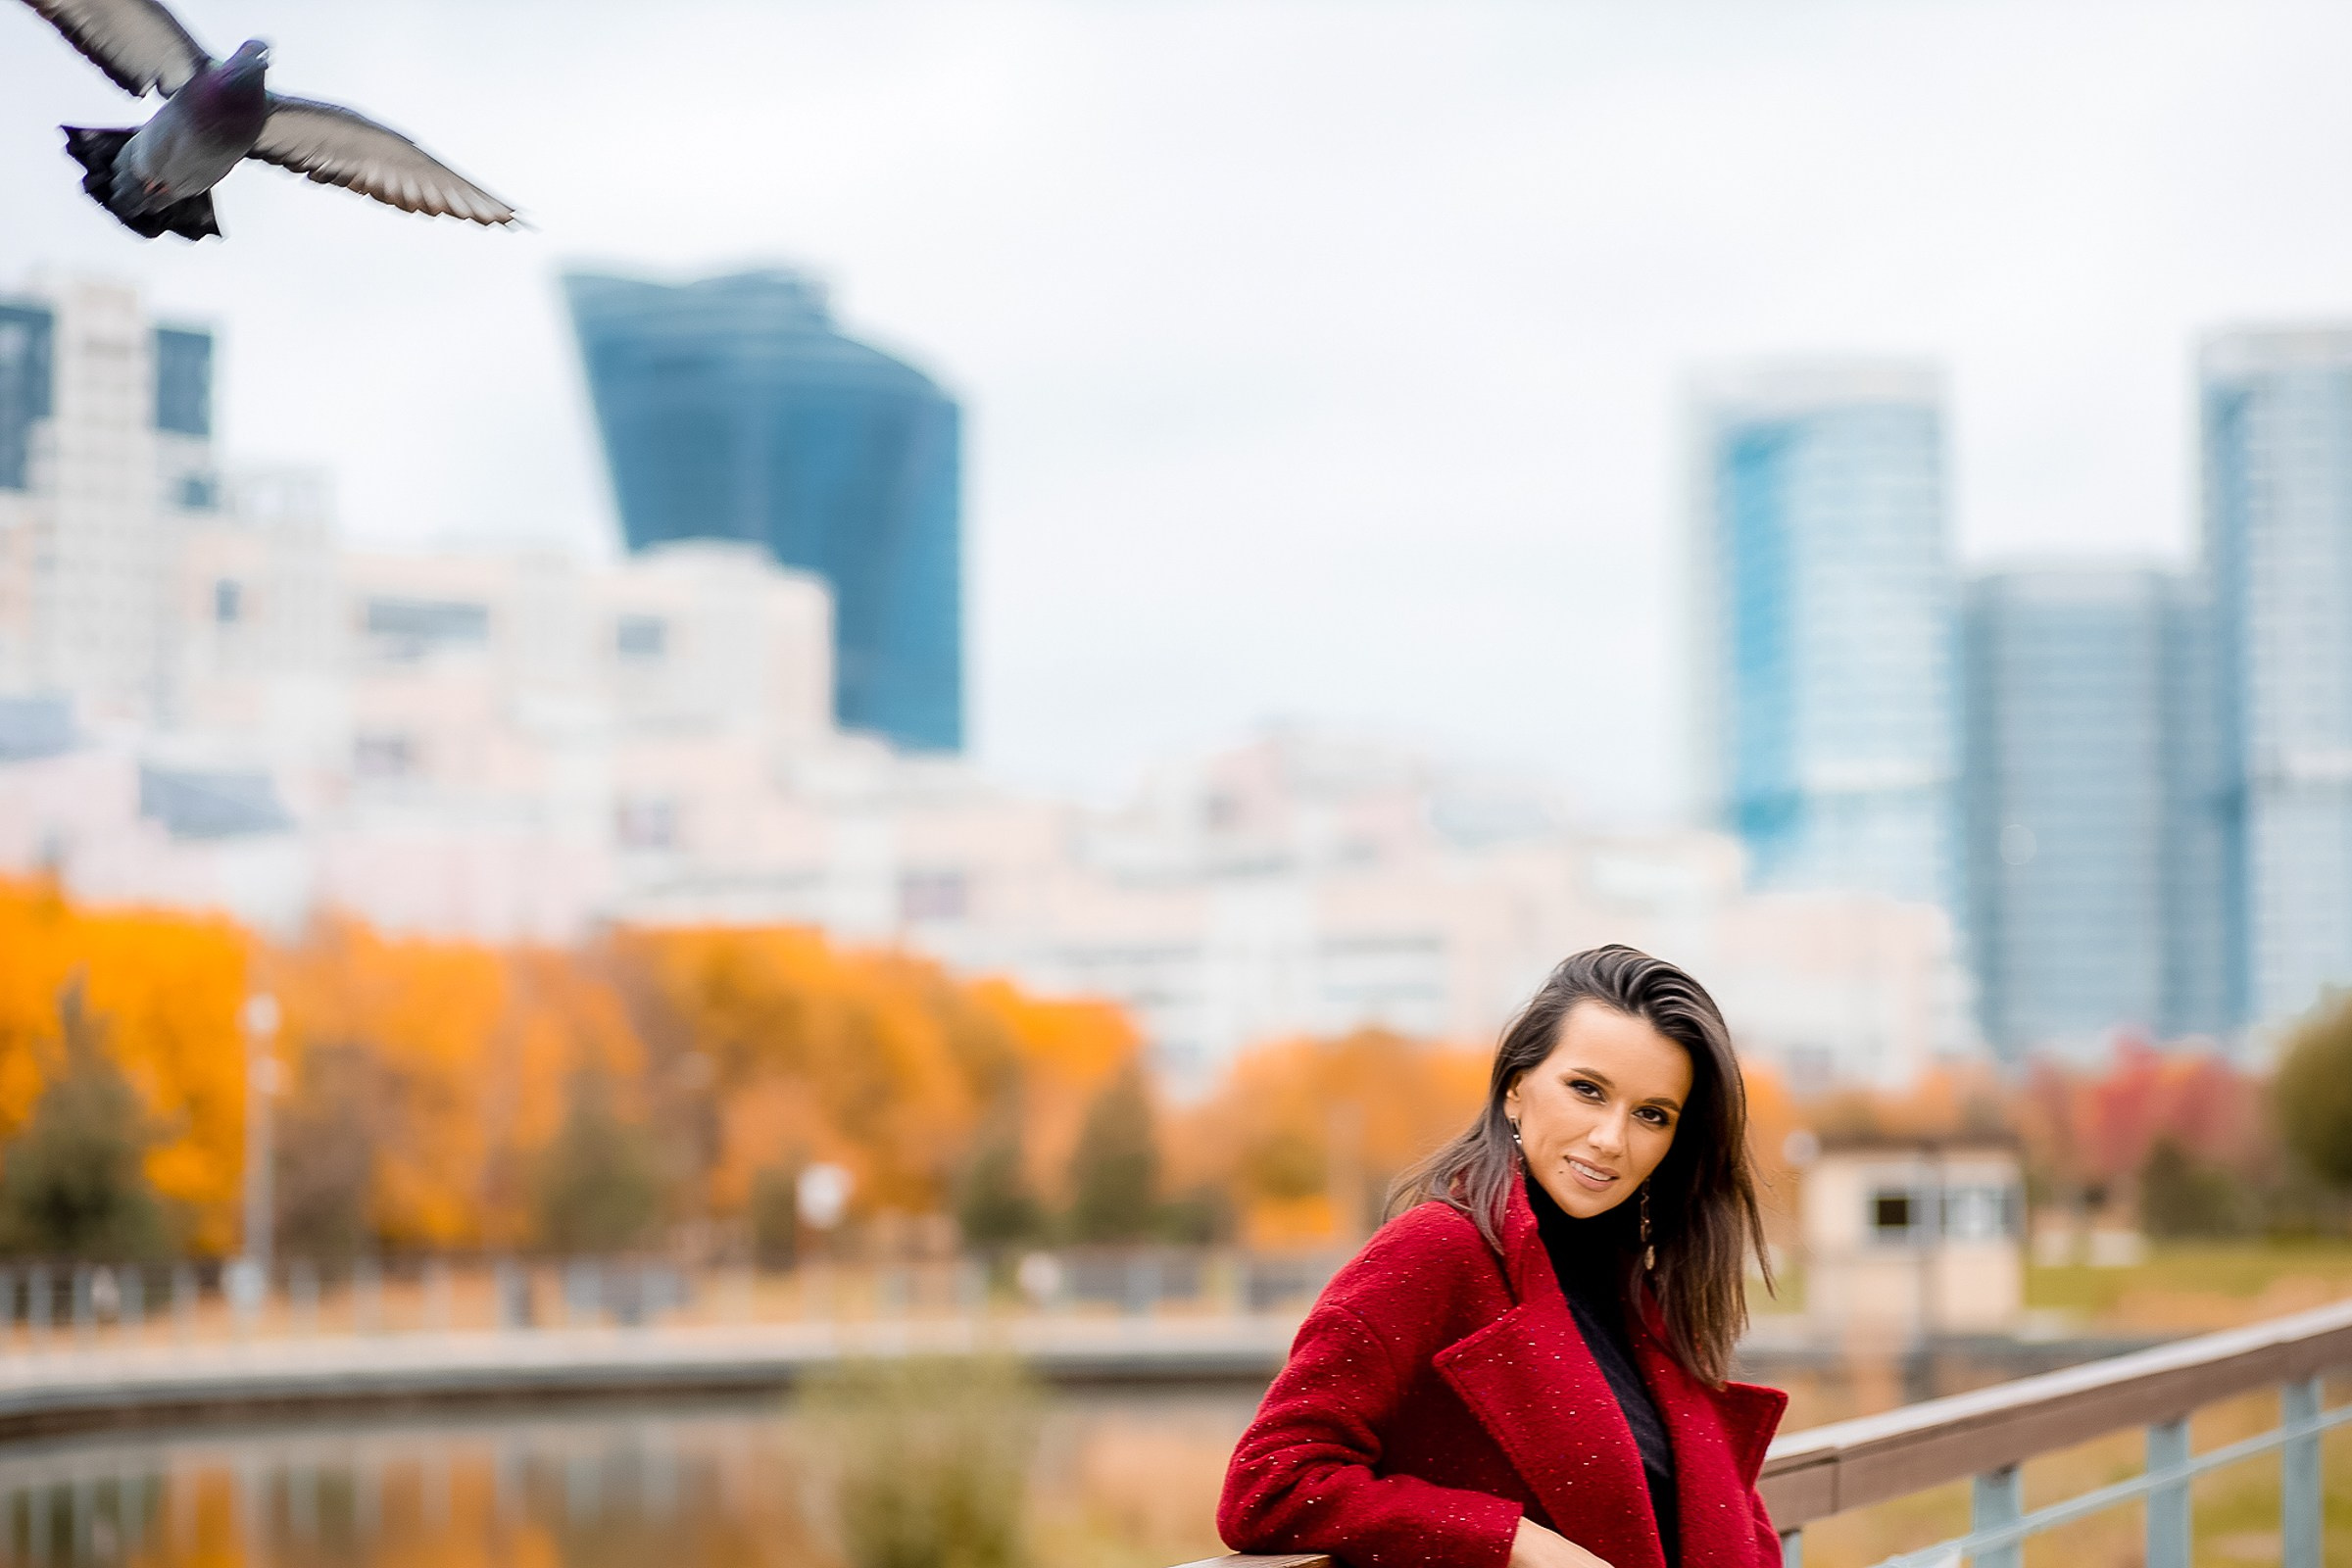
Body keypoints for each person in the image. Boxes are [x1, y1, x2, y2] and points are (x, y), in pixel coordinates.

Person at [1217, 945, 1787, 1568]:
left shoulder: (1644, 1295)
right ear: (1516, 1088)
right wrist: (1515, 1543)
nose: (1610, 1139)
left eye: (1651, 1114)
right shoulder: (1435, 1253)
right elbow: (1270, 1483)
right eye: (1587, 1090)